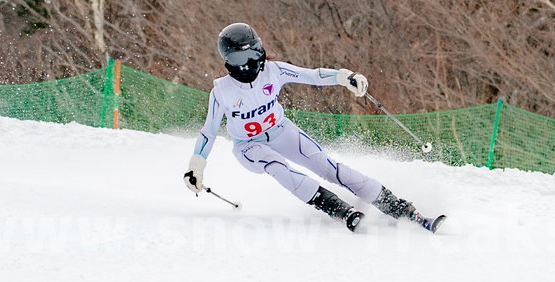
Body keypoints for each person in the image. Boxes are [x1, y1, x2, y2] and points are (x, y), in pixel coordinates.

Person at [183, 22, 443, 233]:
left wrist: (344, 77)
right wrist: (197, 164)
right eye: (241, 56)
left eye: (254, 52)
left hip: (282, 131)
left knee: (327, 166)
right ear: (229, 59)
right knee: (276, 165)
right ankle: (336, 208)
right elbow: (209, 131)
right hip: (249, 146)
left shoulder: (273, 71)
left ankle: (399, 207)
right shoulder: (222, 91)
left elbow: (313, 75)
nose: (250, 61)